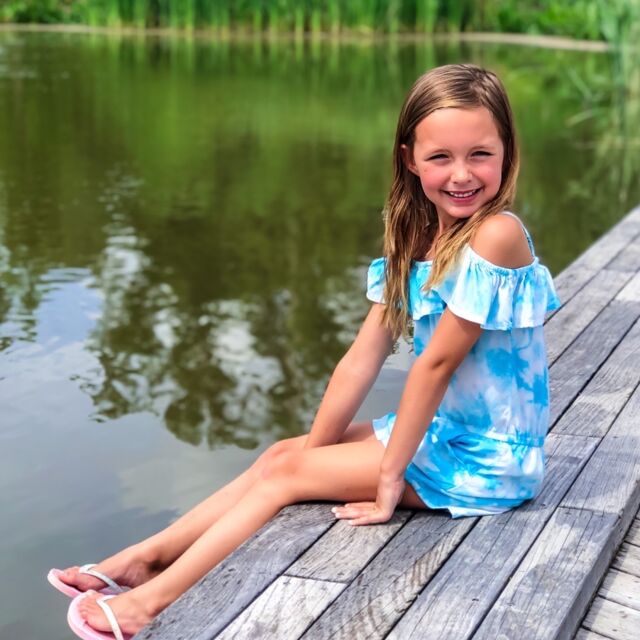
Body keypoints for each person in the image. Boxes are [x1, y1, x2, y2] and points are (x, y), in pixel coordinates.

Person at [50, 63, 561, 640]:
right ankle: (146, 558)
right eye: (441, 156)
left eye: (480, 154)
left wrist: (387, 480)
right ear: (410, 160)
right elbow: (361, 358)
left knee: (286, 475)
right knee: (281, 455)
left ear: (507, 152)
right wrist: (315, 455)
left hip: (491, 460)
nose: (461, 174)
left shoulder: (497, 235)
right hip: (446, 435)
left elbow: (436, 365)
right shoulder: (423, 238)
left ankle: (149, 605)